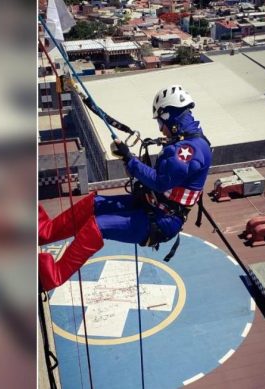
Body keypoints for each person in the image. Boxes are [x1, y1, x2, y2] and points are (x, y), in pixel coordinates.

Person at [38, 85, 212, 291]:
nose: (160, 128)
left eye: (160, 122)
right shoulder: (185, 143)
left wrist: (130, 160)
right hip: (151, 206)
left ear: (169, 117)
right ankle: (45, 231)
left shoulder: (190, 150)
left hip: (162, 221)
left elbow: (161, 182)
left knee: (97, 227)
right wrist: (129, 158)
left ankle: (53, 276)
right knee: (94, 203)